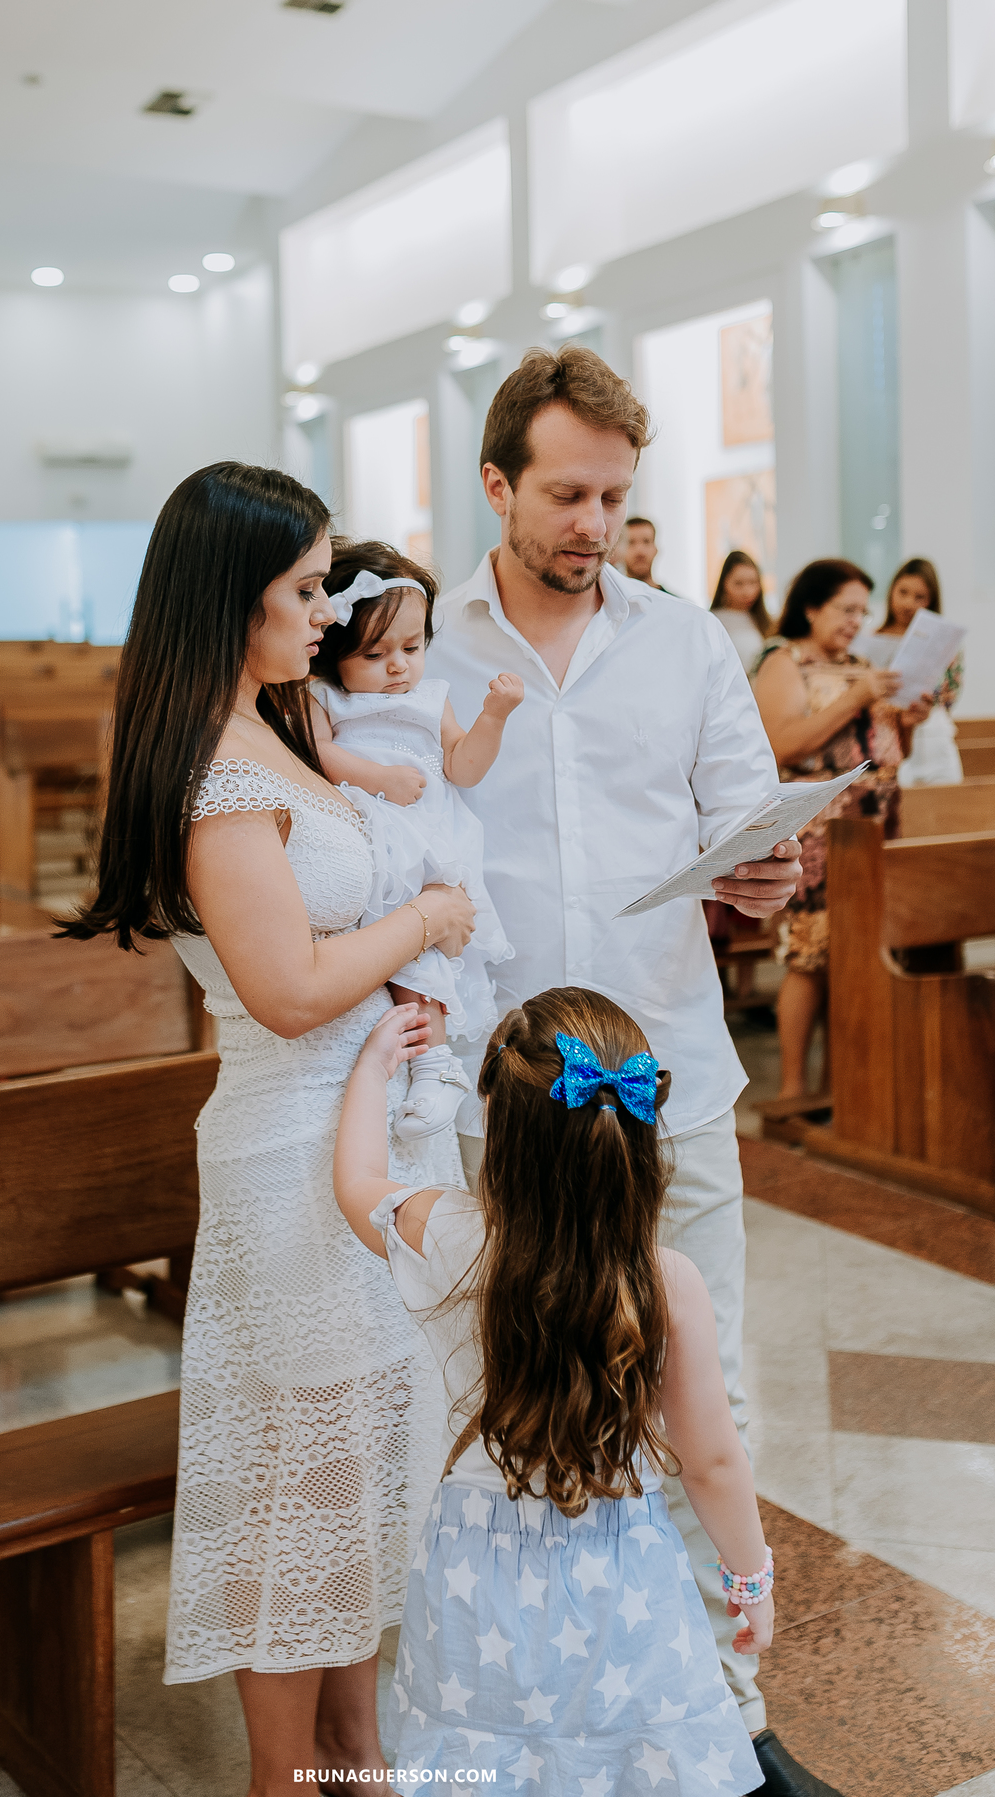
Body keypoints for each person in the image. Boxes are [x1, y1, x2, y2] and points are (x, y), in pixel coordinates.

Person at [428, 345, 837, 1797]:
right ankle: (546, 1725)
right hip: (503, 1108)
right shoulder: (426, 647)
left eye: (615, 494)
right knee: (509, 1419)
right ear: (498, 485)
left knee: (699, 1397)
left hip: (668, 1080)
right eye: (567, 492)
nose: (596, 521)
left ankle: (719, 1716)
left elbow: (742, 823)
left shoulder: (682, 643)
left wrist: (771, 871)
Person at [63, 463, 477, 1792]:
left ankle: (355, 1750)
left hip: (366, 1129)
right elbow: (289, 991)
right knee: (302, 1485)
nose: (329, 606)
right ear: (232, 598)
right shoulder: (214, 770)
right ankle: (284, 1777)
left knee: (360, 1459)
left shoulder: (282, 728)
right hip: (293, 1147)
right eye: (305, 587)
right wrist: (423, 925)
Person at [332, 989, 773, 1794]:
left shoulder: (446, 1236)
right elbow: (713, 1460)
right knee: (630, 1763)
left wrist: (372, 1068)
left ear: (500, 1131)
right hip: (625, 1587)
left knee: (488, 1763)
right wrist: (751, 1580)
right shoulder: (665, 1281)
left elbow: (357, 1178)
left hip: (476, 1579)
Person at [309, 538, 521, 1139]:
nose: (399, 666)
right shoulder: (326, 699)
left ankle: (435, 1063)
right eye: (375, 654)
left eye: (412, 646)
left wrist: (494, 717)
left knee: (425, 952)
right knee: (390, 952)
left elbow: (463, 768)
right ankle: (427, 1063)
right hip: (371, 836)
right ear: (334, 651)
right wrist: (376, 778)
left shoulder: (432, 700)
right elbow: (320, 756)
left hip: (430, 843)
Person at [752, 560, 932, 1100]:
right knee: (809, 958)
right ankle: (790, 1091)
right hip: (816, 835)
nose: (857, 621)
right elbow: (782, 744)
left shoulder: (861, 665)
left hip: (873, 826)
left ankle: (839, 1087)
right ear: (812, 607)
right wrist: (856, 698)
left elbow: (881, 751)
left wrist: (908, 723)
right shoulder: (785, 661)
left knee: (856, 958)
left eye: (862, 611)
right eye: (846, 609)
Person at [857, 557, 964, 787]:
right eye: (902, 592)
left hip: (934, 733)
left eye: (919, 597)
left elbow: (950, 695)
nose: (908, 603)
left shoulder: (945, 645)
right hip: (889, 735)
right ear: (891, 592)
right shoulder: (871, 640)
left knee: (947, 807)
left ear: (931, 601)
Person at [711, 551, 772, 670]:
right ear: (724, 583)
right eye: (739, 584)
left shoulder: (766, 621)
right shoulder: (714, 621)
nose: (747, 592)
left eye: (753, 583)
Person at [619, 515, 686, 597]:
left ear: (656, 549)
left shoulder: (676, 605)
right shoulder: (609, 603)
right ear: (619, 551)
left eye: (646, 541)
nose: (640, 551)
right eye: (631, 542)